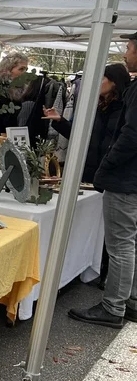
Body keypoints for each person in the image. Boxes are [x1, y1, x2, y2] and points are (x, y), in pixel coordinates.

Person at [69, 43, 137, 328]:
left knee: (121, 246)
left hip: (125, 179)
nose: (125, 54)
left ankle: (113, 307)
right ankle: (129, 301)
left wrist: (106, 166)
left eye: (130, 48)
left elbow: (131, 136)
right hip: (128, 178)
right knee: (129, 244)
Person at [43, 64, 129, 185]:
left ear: (114, 82)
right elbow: (81, 137)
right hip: (89, 173)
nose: (97, 83)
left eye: (101, 78)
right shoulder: (97, 108)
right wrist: (60, 120)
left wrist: (109, 164)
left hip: (111, 176)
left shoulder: (125, 111)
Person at [0, 52, 30, 136]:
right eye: (21, 69)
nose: (24, 73)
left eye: (26, 70)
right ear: (8, 69)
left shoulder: (21, 92)